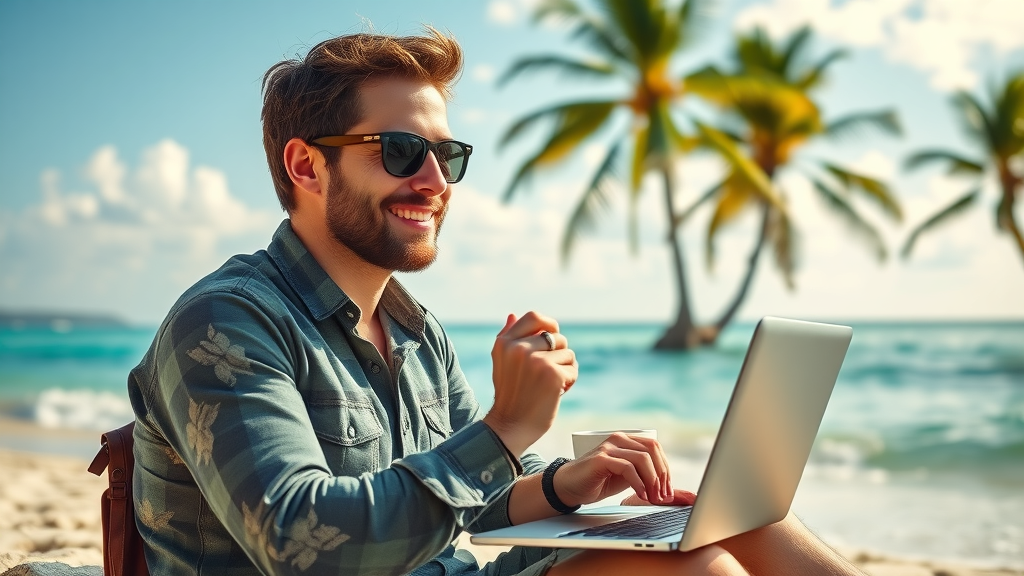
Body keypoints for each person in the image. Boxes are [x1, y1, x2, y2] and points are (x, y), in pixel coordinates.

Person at [126, 28, 865, 576]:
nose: (436, 183)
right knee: (700, 570)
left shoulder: (417, 330)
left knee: (729, 522)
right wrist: (507, 427)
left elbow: (464, 500)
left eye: (446, 157)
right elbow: (298, 542)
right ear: (306, 165)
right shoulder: (225, 321)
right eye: (400, 152)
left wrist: (562, 484)